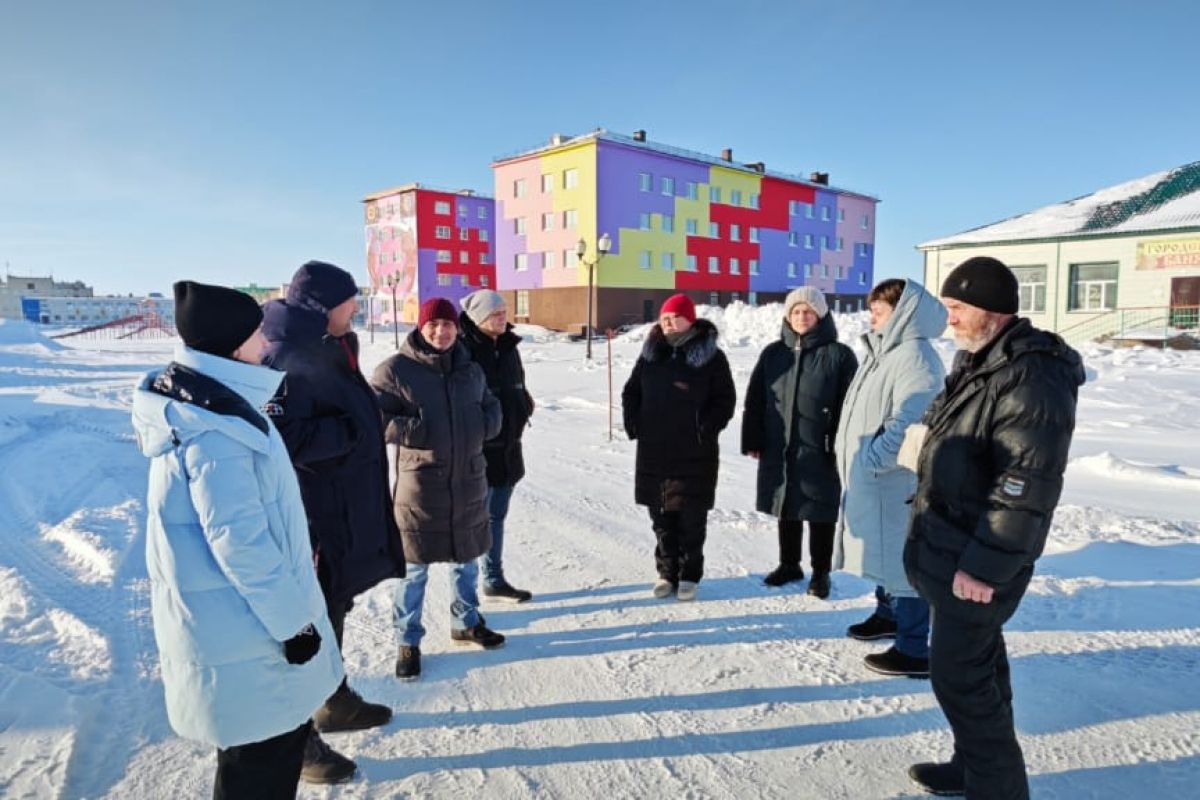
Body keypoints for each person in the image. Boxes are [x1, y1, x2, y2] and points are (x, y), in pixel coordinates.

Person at [132, 281, 343, 800]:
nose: (265, 342)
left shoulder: (212, 404)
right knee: (260, 770)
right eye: (256, 334)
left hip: (238, 632)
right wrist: (294, 626)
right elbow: (239, 542)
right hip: (249, 637)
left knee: (255, 764)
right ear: (231, 346)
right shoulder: (214, 431)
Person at [903, 256, 1085, 799]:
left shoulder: (1032, 375)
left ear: (991, 310)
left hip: (976, 560)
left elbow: (1025, 483)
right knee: (979, 669)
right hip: (953, 545)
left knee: (961, 680)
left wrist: (984, 565)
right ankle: (970, 768)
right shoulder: (984, 361)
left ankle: (998, 789)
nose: (950, 319)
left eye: (957, 308)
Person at [260, 261, 405, 784]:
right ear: (324, 305)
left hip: (341, 504)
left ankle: (332, 698)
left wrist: (371, 413)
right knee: (309, 620)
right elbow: (282, 438)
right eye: (350, 301)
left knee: (335, 602)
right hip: (315, 513)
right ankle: (298, 742)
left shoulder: (325, 340)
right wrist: (349, 432)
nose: (357, 308)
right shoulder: (285, 352)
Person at [371, 297, 504, 681]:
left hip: (467, 479)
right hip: (421, 486)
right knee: (414, 569)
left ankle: (466, 621)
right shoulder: (396, 370)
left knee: (467, 560)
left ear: (457, 329)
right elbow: (375, 417)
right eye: (434, 325)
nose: (441, 332)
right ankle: (407, 640)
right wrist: (418, 430)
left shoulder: (469, 369)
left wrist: (484, 426)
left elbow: (492, 407)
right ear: (421, 326)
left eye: (448, 325)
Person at [833, 279, 946, 678]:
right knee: (883, 551)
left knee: (903, 562)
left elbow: (913, 419)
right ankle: (888, 615)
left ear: (903, 312)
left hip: (893, 479)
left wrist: (874, 459)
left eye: (879, 309)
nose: (871, 315)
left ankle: (914, 649)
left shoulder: (915, 356)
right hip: (873, 477)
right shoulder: (885, 351)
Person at [742, 286, 857, 598]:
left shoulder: (839, 355)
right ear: (787, 316)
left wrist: (841, 445)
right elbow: (755, 399)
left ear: (820, 315)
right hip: (779, 442)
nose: (802, 317)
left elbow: (851, 405)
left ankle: (821, 573)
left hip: (821, 446)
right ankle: (789, 564)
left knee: (820, 509)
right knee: (786, 504)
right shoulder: (773, 353)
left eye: (808, 311)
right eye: (796, 311)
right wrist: (752, 437)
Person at [621, 293, 736, 602]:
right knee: (660, 517)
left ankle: (689, 575)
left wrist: (705, 428)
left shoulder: (711, 356)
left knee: (691, 518)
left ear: (691, 319)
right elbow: (631, 392)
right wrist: (634, 424)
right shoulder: (650, 354)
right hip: (654, 450)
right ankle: (666, 572)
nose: (669, 322)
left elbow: (725, 400)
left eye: (675, 316)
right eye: (664, 317)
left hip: (694, 452)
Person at [458, 289, 535, 603]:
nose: (503, 317)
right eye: (495, 313)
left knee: (496, 516)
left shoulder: (508, 345)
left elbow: (516, 381)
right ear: (479, 318)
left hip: (510, 444)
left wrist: (524, 403)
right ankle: (466, 595)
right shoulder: (464, 349)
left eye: (504, 311)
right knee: (473, 521)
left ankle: (493, 578)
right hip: (479, 449)